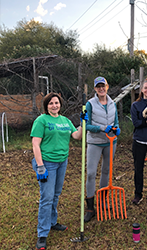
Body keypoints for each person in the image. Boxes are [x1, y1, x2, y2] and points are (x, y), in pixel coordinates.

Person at [31, 92, 88, 250]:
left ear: (60, 105)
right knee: (46, 197)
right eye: (51, 103)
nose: (54, 105)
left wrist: (83, 124)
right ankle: (42, 233)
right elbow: (35, 144)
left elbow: (76, 136)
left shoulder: (65, 121)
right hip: (47, 163)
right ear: (46, 106)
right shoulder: (41, 120)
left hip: (62, 161)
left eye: (56, 103)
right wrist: (40, 166)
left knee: (55, 194)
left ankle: (52, 222)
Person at [84, 76, 120, 222]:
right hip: (95, 142)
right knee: (91, 173)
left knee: (106, 171)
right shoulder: (90, 104)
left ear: (107, 86)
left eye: (103, 86)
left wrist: (117, 130)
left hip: (111, 142)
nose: (101, 88)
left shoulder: (112, 103)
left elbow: (116, 121)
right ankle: (90, 207)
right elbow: (87, 125)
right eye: (98, 86)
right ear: (95, 89)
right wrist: (102, 128)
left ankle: (103, 201)